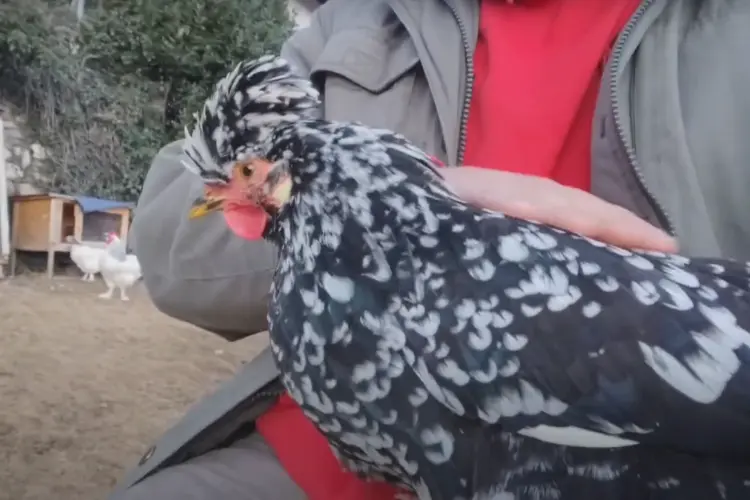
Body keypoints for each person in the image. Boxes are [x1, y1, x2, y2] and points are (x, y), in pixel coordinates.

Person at [109, 0, 750, 499]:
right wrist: (404, 192)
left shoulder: (726, 31)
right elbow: (172, 240)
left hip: (635, 444)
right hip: (330, 450)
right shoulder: (363, 17)